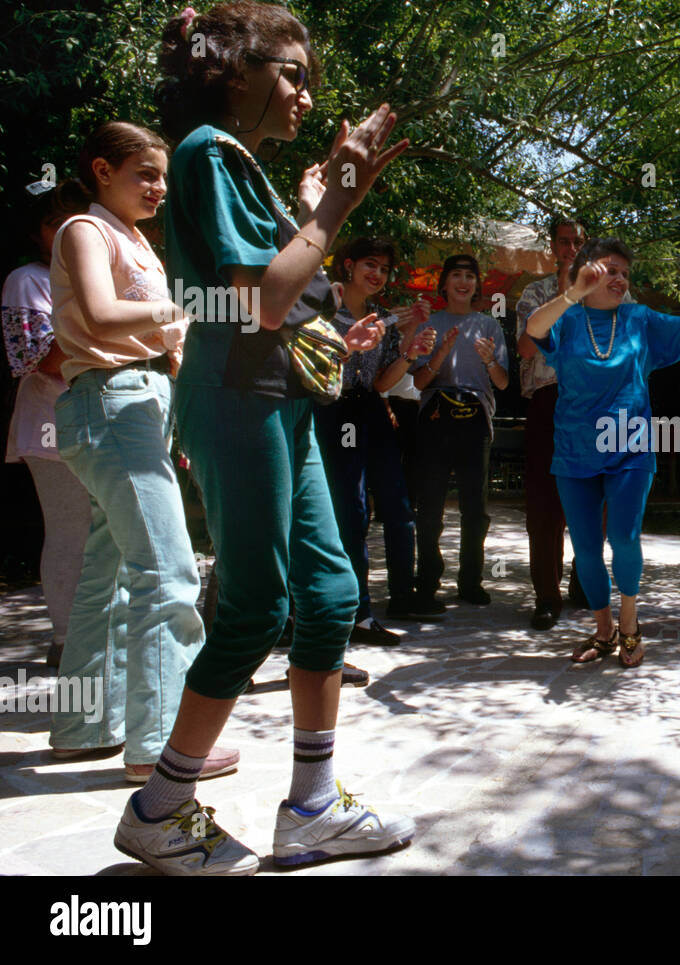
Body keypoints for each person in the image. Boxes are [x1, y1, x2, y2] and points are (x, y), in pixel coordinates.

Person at [113, 1, 414, 875]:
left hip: (286, 400)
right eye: (288, 72)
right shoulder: (207, 151)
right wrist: (337, 208)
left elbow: (293, 290)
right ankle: (158, 810)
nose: (306, 94)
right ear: (229, 73)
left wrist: (317, 204)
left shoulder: (242, 167)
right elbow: (265, 301)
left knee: (325, 592)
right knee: (255, 605)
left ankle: (312, 808)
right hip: (236, 399)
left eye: (308, 78)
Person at [46, 122, 238, 784]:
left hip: (145, 406)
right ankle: (160, 744)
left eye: (163, 176)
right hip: (111, 401)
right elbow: (100, 315)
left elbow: (171, 342)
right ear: (103, 170)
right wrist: (181, 305)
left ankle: (82, 725)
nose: (159, 187)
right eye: (145, 174)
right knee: (168, 572)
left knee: (112, 572)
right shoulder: (84, 231)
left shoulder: (141, 246)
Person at [526, 238, 680, 666]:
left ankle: (629, 621)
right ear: (588, 274)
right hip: (574, 450)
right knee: (585, 549)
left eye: (625, 272)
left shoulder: (639, 319)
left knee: (622, 536)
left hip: (630, 445)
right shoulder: (567, 319)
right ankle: (603, 630)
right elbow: (533, 330)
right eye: (610, 270)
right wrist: (572, 293)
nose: (620, 278)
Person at [315, 235, 438, 642]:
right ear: (347, 265)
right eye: (371, 265)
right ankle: (356, 612)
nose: (378, 275)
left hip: (370, 407)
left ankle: (402, 596)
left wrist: (409, 352)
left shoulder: (384, 317)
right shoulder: (321, 309)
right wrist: (348, 348)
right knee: (352, 510)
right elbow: (315, 369)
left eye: (384, 269)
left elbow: (384, 381)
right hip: (335, 411)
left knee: (398, 504)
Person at [515, 217, 628, 630]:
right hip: (549, 399)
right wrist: (567, 297)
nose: (570, 247)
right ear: (552, 246)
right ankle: (547, 596)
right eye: (564, 242)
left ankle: (585, 582)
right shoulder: (535, 292)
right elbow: (527, 348)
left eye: (578, 241)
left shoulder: (612, 289)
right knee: (545, 504)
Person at [3, 180, 91, 671]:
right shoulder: (27, 280)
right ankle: (65, 640)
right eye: (53, 222)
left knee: (111, 536)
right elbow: (42, 360)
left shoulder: (106, 272)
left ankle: (95, 639)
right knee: (70, 532)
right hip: (51, 425)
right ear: (36, 232)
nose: (65, 231)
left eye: (73, 220)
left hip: (107, 422)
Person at [410, 254, 508, 608]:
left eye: (470, 276)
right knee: (430, 505)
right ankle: (426, 580)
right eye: (456, 275)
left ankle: (470, 581)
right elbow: (420, 382)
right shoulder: (431, 324)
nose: (463, 282)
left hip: (475, 418)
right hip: (435, 416)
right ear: (444, 283)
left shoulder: (490, 326)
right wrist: (440, 354)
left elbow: (502, 382)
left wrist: (489, 360)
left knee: (474, 508)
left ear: (477, 285)